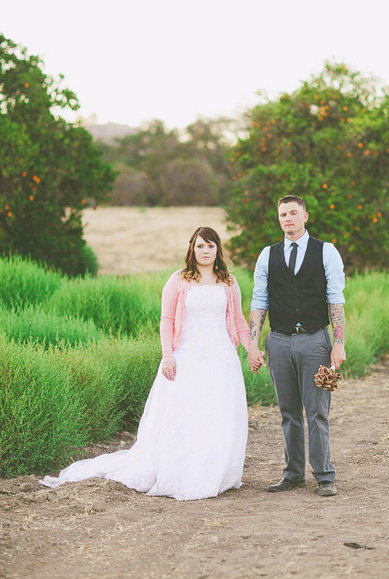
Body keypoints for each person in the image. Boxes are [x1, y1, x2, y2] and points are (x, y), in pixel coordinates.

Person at [40, 227, 254, 501]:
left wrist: (252, 350)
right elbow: (167, 320)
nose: (205, 251)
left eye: (210, 246)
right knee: (186, 414)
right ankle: (183, 470)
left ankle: (216, 472)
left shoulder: (229, 282)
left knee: (217, 413)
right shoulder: (179, 280)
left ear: (217, 250)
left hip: (221, 358)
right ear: (192, 248)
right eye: (200, 246)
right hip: (187, 356)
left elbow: (238, 321)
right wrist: (167, 355)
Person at [248, 195, 346, 497]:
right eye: (282, 214)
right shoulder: (267, 255)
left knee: (317, 411)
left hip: (315, 340)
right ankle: (293, 474)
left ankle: (324, 475)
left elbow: (335, 298)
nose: (287, 218)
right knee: (288, 412)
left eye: (293, 213)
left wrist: (339, 343)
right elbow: (259, 301)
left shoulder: (326, 251)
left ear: (305, 217)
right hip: (278, 341)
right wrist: (253, 344)